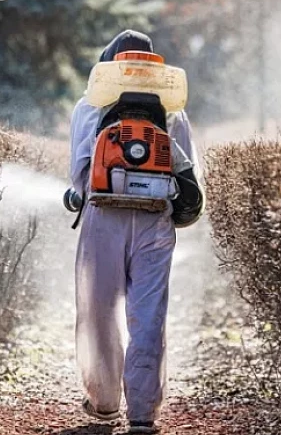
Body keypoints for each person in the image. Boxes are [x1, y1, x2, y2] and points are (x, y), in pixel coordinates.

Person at [68, 30, 203, 434]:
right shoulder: (173, 109)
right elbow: (186, 173)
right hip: (154, 221)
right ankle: (142, 413)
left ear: (107, 64)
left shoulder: (89, 105)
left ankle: (104, 402)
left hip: (102, 217)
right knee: (148, 313)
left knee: (99, 310)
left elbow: (80, 174)